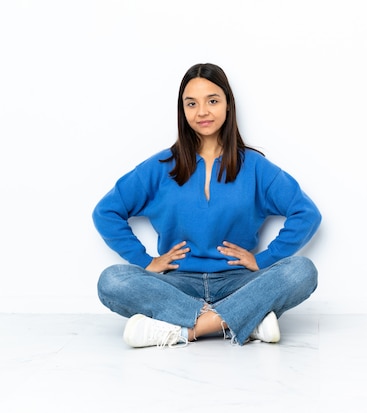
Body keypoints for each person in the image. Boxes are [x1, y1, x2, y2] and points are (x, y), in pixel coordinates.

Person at [92, 63, 322, 349]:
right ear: (183, 110)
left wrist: (263, 260)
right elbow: (106, 212)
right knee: (112, 280)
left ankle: (184, 330)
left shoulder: (255, 167)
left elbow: (306, 213)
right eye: (192, 104)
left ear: (228, 105)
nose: (202, 112)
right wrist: (146, 261)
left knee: (301, 271)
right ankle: (244, 320)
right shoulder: (160, 167)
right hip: (178, 284)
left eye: (212, 101)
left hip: (239, 282)